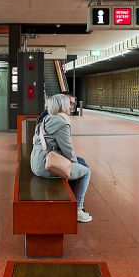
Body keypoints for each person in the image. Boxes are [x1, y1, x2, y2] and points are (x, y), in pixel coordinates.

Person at [31, 93, 92, 223]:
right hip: (46, 165)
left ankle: (73, 201)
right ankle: (77, 209)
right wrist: (74, 166)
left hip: (36, 161)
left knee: (81, 163)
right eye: (68, 104)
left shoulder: (47, 118)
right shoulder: (61, 122)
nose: (71, 107)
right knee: (86, 171)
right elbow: (68, 150)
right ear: (61, 105)